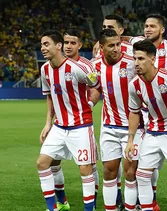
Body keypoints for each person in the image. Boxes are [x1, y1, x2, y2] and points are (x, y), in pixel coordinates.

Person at [37, 30, 99, 211]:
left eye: (46, 44)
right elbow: (49, 96)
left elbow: (96, 85)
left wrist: (88, 103)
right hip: (59, 127)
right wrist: (48, 123)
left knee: (85, 169)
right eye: (41, 45)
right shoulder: (45, 69)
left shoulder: (77, 68)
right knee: (42, 163)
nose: (43, 48)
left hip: (81, 126)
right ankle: (53, 207)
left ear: (58, 46)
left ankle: (89, 209)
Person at [125, 39, 167, 211]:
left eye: (141, 59)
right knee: (142, 176)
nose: (136, 63)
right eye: (135, 59)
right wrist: (130, 140)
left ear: (153, 59)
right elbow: (134, 112)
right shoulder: (134, 85)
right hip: (152, 133)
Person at [90, 29, 145, 211]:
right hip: (109, 126)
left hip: (133, 128)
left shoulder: (131, 63)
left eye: (118, 44)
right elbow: (95, 87)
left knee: (130, 173)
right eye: (111, 45)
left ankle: (130, 208)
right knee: (109, 172)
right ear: (102, 47)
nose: (116, 49)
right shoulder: (95, 65)